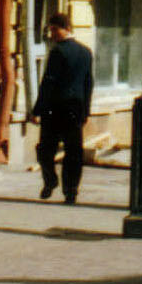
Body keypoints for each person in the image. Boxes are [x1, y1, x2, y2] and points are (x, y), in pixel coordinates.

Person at [28, 13, 93, 205]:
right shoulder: (85, 51)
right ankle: (71, 190)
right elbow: (88, 83)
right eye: (51, 29)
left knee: (45, 149)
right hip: (76, 107)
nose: (52, 33)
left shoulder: (58, 52)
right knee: (74, 151)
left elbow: (48, 82)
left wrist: (37, 110)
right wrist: (86, 110)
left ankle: (50, 180)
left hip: (55, 108)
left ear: (66, 28)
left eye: (54, 29)